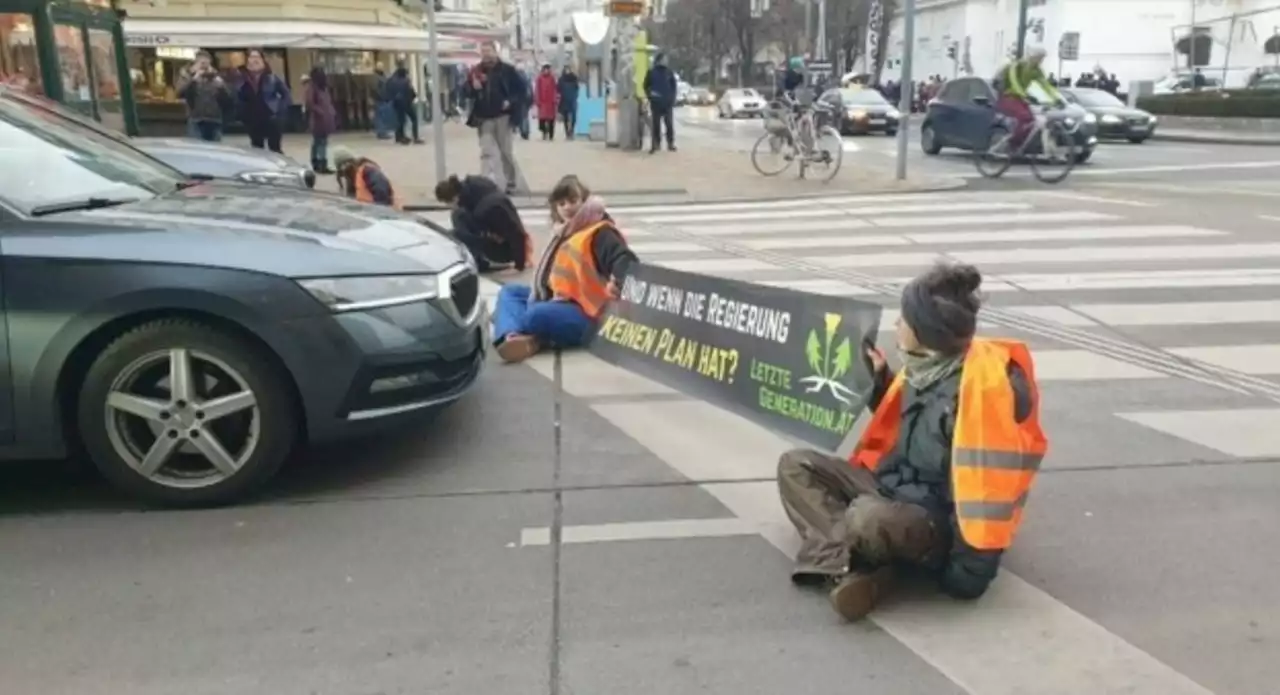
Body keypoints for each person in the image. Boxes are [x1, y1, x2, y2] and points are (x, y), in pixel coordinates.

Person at [776, 263, 1046, 622]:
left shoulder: (980, 396)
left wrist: (965, 579)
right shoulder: (926, 366)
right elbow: (910, 424)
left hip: (934, 523)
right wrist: (881, 381)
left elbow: (985, 494)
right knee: (796, 465)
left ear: (925, 332)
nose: (896, 326)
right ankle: (860, 568)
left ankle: (856, 563)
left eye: (903, 320)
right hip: (891, 485)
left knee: (865, 517)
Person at [490, 176, 637, 364]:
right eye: (561, 203)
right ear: (555, 209)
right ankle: (513, 338)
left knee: (534, 314)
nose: (567, 207)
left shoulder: (599, 232)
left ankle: (530, 334)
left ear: (585, 202)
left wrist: (620, 278)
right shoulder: (563, 232)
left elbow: (622, 257)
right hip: (560, 300)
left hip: (590, 313)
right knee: (509, 292)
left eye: (573, 201)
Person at [434, 174, 532, 273]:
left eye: (449, 203)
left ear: (455, 198)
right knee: (457, 223)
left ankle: (479, 260)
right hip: (497, 236)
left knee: (457, 232)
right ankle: (476, 257)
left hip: (505, 250)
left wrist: (519, 264)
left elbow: (515, 233)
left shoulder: (488, 208)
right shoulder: (473, 187)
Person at [464, 41, 522, 194]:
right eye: (483, 52)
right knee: (486, 151)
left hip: (503, 116)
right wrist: (472, 87)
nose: (486, 55)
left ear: (495, 52)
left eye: (489, 51)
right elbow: (466, 92)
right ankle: (488, 182)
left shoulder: (507, 70)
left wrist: (510, 101)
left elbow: (521, 90)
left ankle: (510, 182)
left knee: (505, 151)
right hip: (484, 117)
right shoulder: (475, 71)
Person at [995, 46, 1064, 150]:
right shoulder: (1017, 66)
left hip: (1020, 98)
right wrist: (1024, 95)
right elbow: (1015, 82)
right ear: (1032, 56)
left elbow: (1046, 86)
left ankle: (1022, 144)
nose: (1041, 60)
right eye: (1040, 57)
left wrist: (1057, 98)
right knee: (1025, 117)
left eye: (1042, 58)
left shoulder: (1037, 70)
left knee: (1033, 120)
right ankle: (1013, 143)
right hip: (1008, 96)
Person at [236, 48, 290, 153]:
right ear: (247, 60)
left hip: (271, 118)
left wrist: (280, 111)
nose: (254, 60)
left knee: (275, 149)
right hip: (252, 119)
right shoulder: (242, 77)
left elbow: (286, 94)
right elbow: (237, 95)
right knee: (257, 149)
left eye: (257, 57)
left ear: (262, 60)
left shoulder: (271, 77)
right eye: (252, 57)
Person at [177, 50, 230, 142]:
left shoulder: (217, 76)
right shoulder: (187, 75)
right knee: (196, 149)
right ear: (196, 62)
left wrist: (220, 84)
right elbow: (180, 92)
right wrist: (193, 79)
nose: (203, 65)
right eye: (201, 62)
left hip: (214, 119)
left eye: (206, 62)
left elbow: (228, 97)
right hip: (195, 119)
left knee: (215, 151)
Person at [332, 147, 399, 209]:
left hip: (378, 212)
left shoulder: (368, 171)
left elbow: (381, 191)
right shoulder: (353, 176)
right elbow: (352, 197)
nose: (345, 175)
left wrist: (378, 209)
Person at [642, 53, 678, 153]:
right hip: (656, 103)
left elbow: (674, 86)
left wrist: (672, 98)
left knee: (669, 124)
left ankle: (670, 143)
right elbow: (645, 85)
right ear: (659, 60)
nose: (666, 61)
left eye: (666, 59)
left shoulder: (669, 72)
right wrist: (650, 95)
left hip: (667, 103)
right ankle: (656, 143)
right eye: (664, 59)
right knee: (656, 124)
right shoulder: (652, 72)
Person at [305, 67, 337, 174]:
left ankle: (318, 162)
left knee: (320, 141)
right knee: (320, 142)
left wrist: (331, 111)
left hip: (325, 119)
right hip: (318, 120)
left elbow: (328, 102)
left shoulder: (324, 88)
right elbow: (310, 103)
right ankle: (320, 164)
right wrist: (321, 112)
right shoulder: (313, 88)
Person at [386, 65, 421, 145]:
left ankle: (399, 137)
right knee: (414, 118)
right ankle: (415, 137)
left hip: (396, 103)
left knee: (400, 120)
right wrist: (413, 97)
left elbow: (388, 91)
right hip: (406, 102)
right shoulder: (406, 81)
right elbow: (410, 91)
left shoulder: (391, 81)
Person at [534, 64, 559, 140]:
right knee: (542, 120)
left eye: (547, 69)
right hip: (542, 102)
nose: (546, 71)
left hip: (550, 102)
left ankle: (551, 135)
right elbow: (537, 90)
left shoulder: (552, 78)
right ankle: (544, 132)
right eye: (545, 69)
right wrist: (537, 100)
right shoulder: (539, 78)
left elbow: (555, 89)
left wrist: (555, 99)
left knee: (551, 119)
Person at [557, 66, 580, 139]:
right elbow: (558, 88)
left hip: (572, 99)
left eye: (568, 69)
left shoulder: (574, 78)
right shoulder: (561, 79)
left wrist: (575, 96)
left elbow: (577, 88)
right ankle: (567, 132)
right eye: (566, 69)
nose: (567, 71)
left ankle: (572, 130)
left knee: (574, 117)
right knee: (565, 117)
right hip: (564, 99)